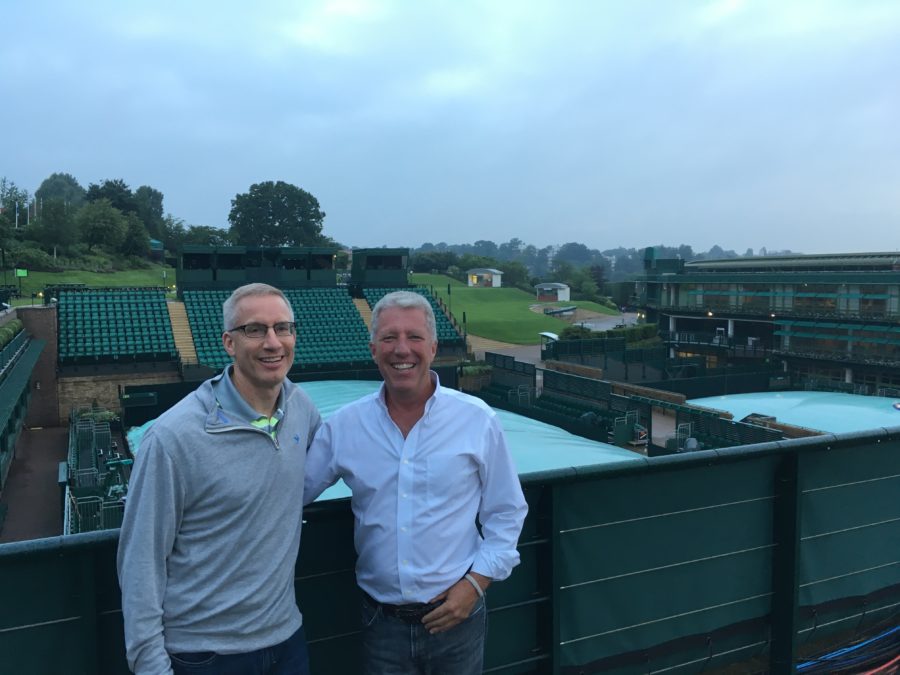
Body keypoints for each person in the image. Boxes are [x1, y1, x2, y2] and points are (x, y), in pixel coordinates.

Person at [304, 290, 528, 674]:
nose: (401, 349)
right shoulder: (344, 426)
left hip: (458, 617)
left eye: (414, 337)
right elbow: (292, 491)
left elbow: (506, 512)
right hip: (381, 621)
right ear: (373, 349)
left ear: (434, 347)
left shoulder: (477, 419)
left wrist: (475, 585)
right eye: (389, 338)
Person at [117, 283, 322, 675]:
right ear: (229, 342)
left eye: (283, 328)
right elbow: (141, 560)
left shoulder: (301, 408)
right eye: (255, 330)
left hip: (286, 641)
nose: (273, 342)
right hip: (203, 656)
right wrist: (150, 666)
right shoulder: (174, 437)